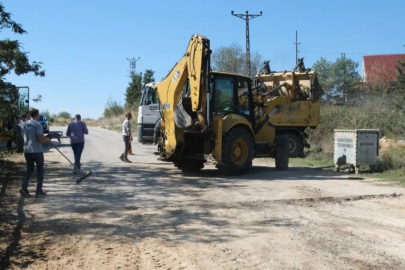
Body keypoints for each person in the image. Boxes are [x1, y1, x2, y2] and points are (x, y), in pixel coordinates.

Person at [19, 108, 51, 197]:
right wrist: (47, 141)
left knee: (29, 169)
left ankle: (24, 187)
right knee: (40, 171)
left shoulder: (24, 124)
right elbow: (40, 138)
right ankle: (38, 191)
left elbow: (23, 137)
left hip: (27, 150)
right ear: (36, 115)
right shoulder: (38, 124)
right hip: (37, 151)